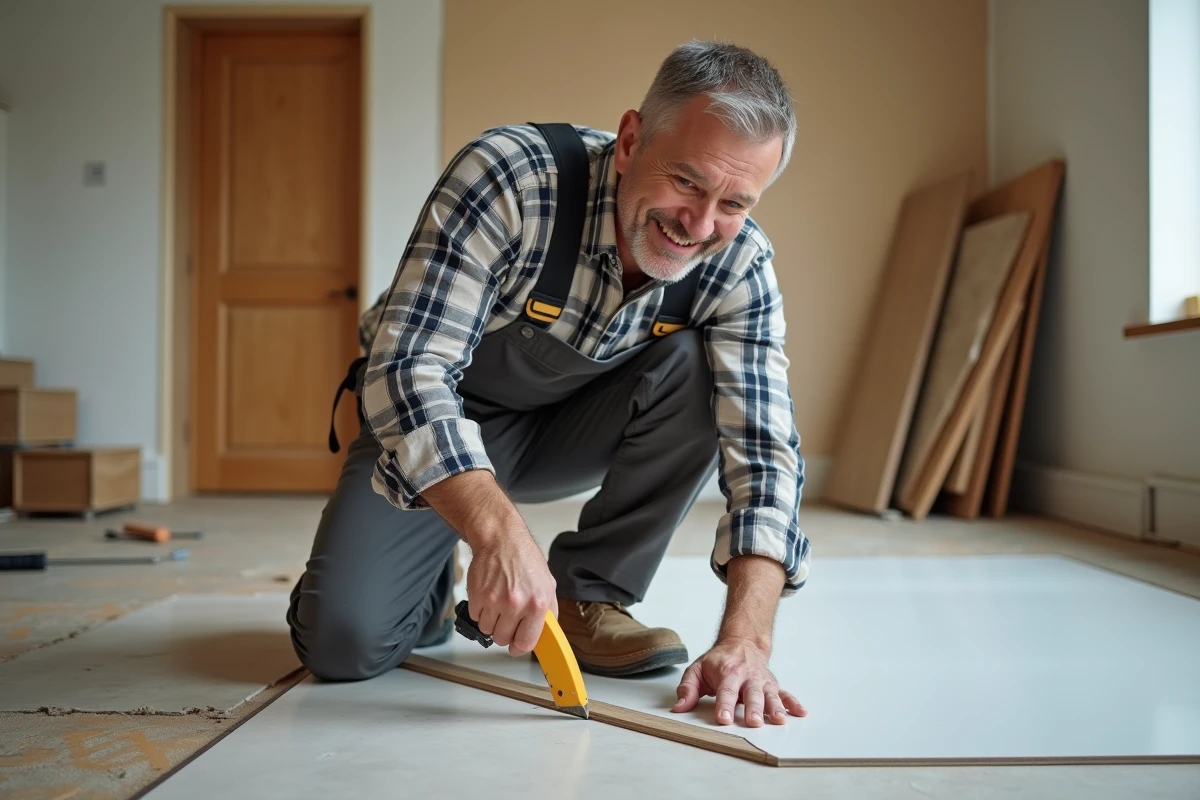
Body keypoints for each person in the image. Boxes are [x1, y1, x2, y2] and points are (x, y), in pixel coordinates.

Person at [287, 39, 812, 729]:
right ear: (630, 141)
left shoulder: (739, 264)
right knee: (344, 644)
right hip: (438, 427)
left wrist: (748, 640)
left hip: (566, 433)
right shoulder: (512, 178)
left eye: (735, 202)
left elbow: (766, 453)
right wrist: (497, 535)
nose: (701, 225)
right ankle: (432, 571)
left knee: (696, 370)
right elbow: (407, 370)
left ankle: (589, 596)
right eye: (686, 182)